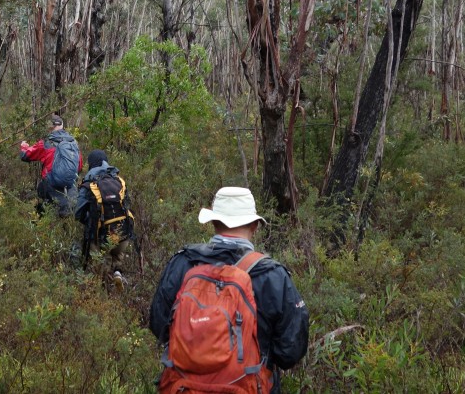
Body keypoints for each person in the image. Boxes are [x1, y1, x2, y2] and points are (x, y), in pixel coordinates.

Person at [149, 187, 308, 393]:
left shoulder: (183, 263)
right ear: (255, 225)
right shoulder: (273, 276)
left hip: (184, 387)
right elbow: (290, 351)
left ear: (213, 222)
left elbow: (158, 324)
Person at [74, 150, 135, 282]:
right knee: (117, 256)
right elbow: (128, 205)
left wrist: (91, 221)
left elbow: (78, 213)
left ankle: (104, 290)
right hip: (123, 234)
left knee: (101, 265)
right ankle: (118, 273)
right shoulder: (119, 181)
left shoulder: (88, 185)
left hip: (100, 236)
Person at [20, 114, 83, 216]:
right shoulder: (74, 143)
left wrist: (23, 147)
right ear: (62, 126)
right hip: (71, 187)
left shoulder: (46, 143)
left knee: (46, 210)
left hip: (51, 186)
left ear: (50, 127)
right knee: (70, 213)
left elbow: (26, 156)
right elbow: (79, 167)